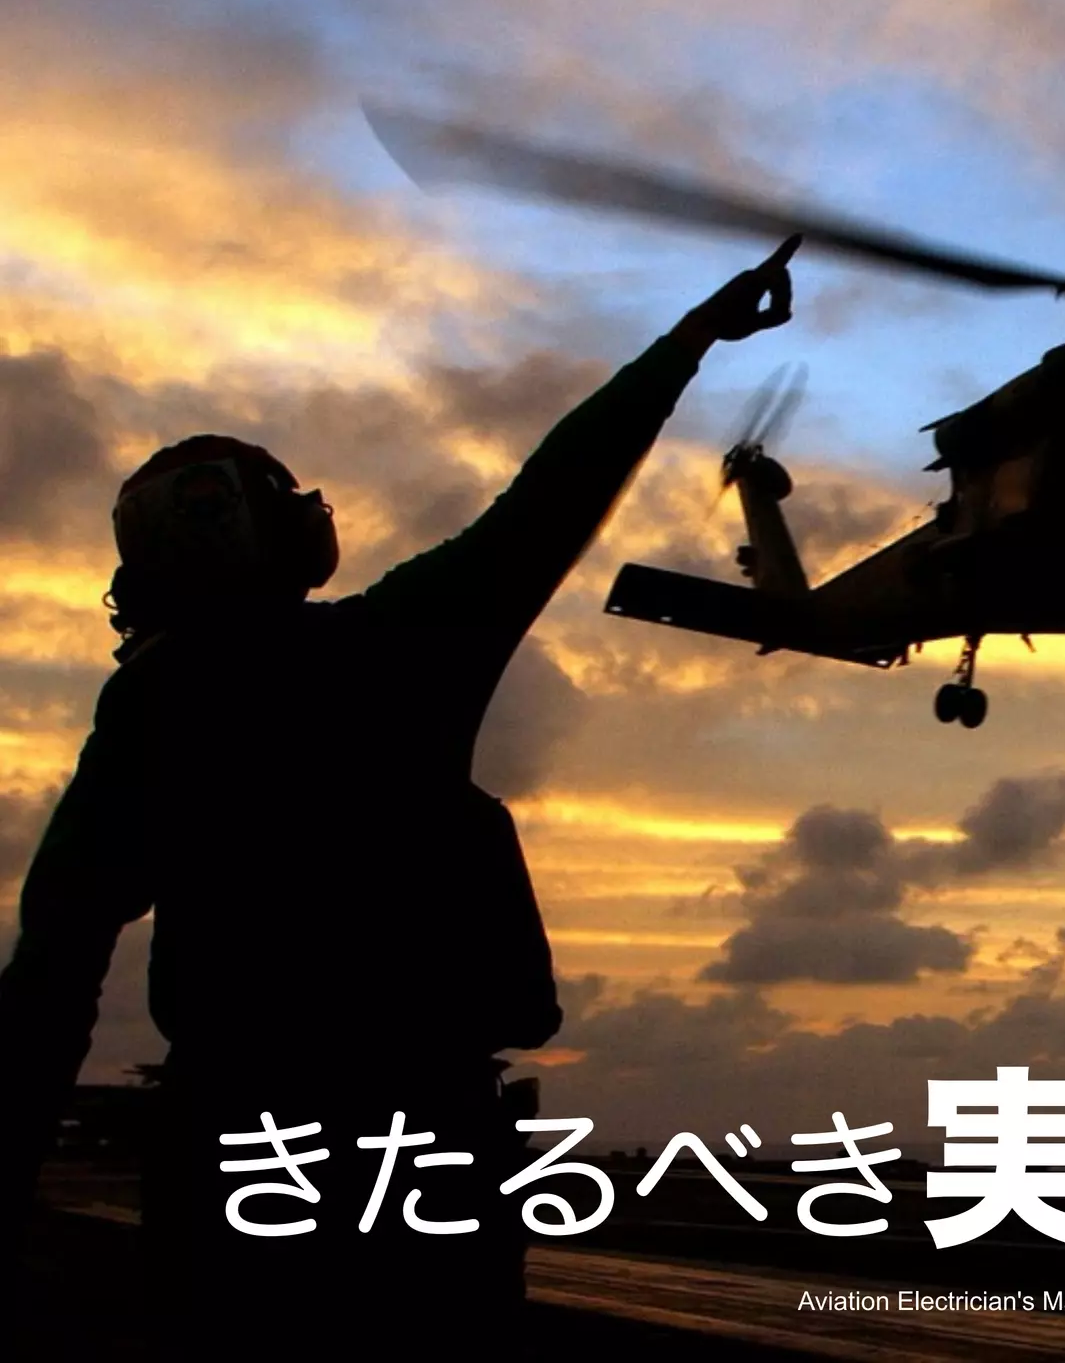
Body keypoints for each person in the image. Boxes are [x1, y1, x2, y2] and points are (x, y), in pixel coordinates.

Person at [0, 237, 801, 1353]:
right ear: (290, 535)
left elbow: (54, 966)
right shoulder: (400, 646)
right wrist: (683, 344)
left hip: (235, 1148)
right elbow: (549, 497)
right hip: (423, 1145)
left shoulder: (146, 712)